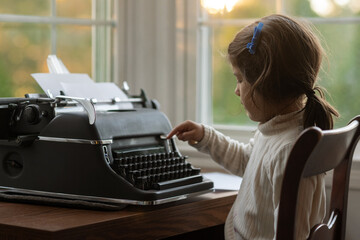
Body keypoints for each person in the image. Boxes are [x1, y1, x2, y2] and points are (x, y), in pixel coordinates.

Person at [167, 14, 339, 240]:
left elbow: (293, 234)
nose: (236, 90)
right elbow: (246, 162)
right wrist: (205, 137)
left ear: (265, 84)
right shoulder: (277, 131)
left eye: (239, 79)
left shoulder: (289, 150)